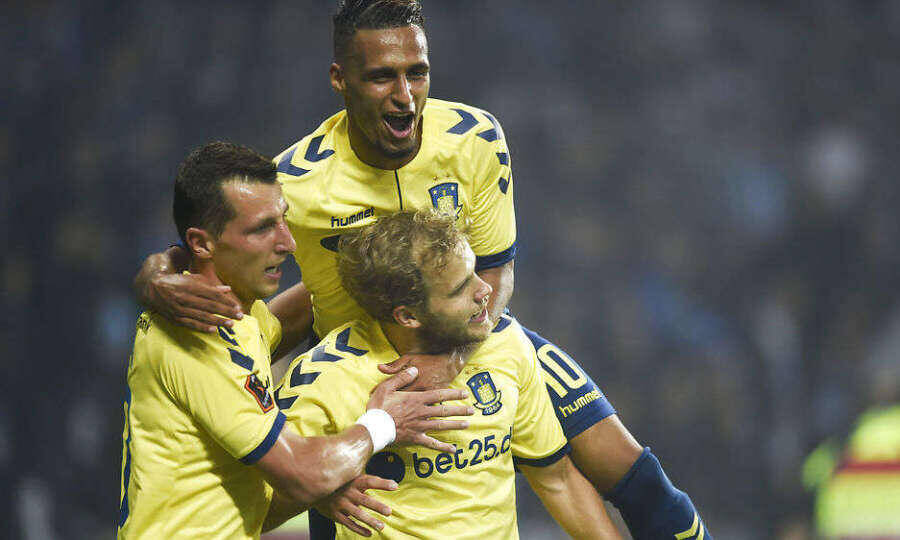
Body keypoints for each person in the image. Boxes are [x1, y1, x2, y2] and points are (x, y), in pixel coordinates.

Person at [134, 1, 713, 537]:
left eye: (417, 72)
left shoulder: (476, 140)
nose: (405, 96)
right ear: (340, 79)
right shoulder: (297, 181)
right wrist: (155, 274)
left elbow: (495, 275)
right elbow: (215, 247)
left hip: (471, 334)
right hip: (358, 367)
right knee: (334, 496)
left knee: (647, 488)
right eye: (383, 76)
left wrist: (446, 360)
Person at [118, 142, 472, 539]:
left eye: (283, 220)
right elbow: (304, 476)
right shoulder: (201, 332)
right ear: (202, 243)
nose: (288, 243)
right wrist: (385, 421)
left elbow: (298, 313)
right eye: (262, 228)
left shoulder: (236, 311)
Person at [276, 209, 619, 538]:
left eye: (474, 271)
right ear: (408, 316)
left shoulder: (504, 344)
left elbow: (557, 479)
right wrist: (319, 488)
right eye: (459, 289)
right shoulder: (326, 377)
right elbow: (258, 507)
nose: (485, 290)